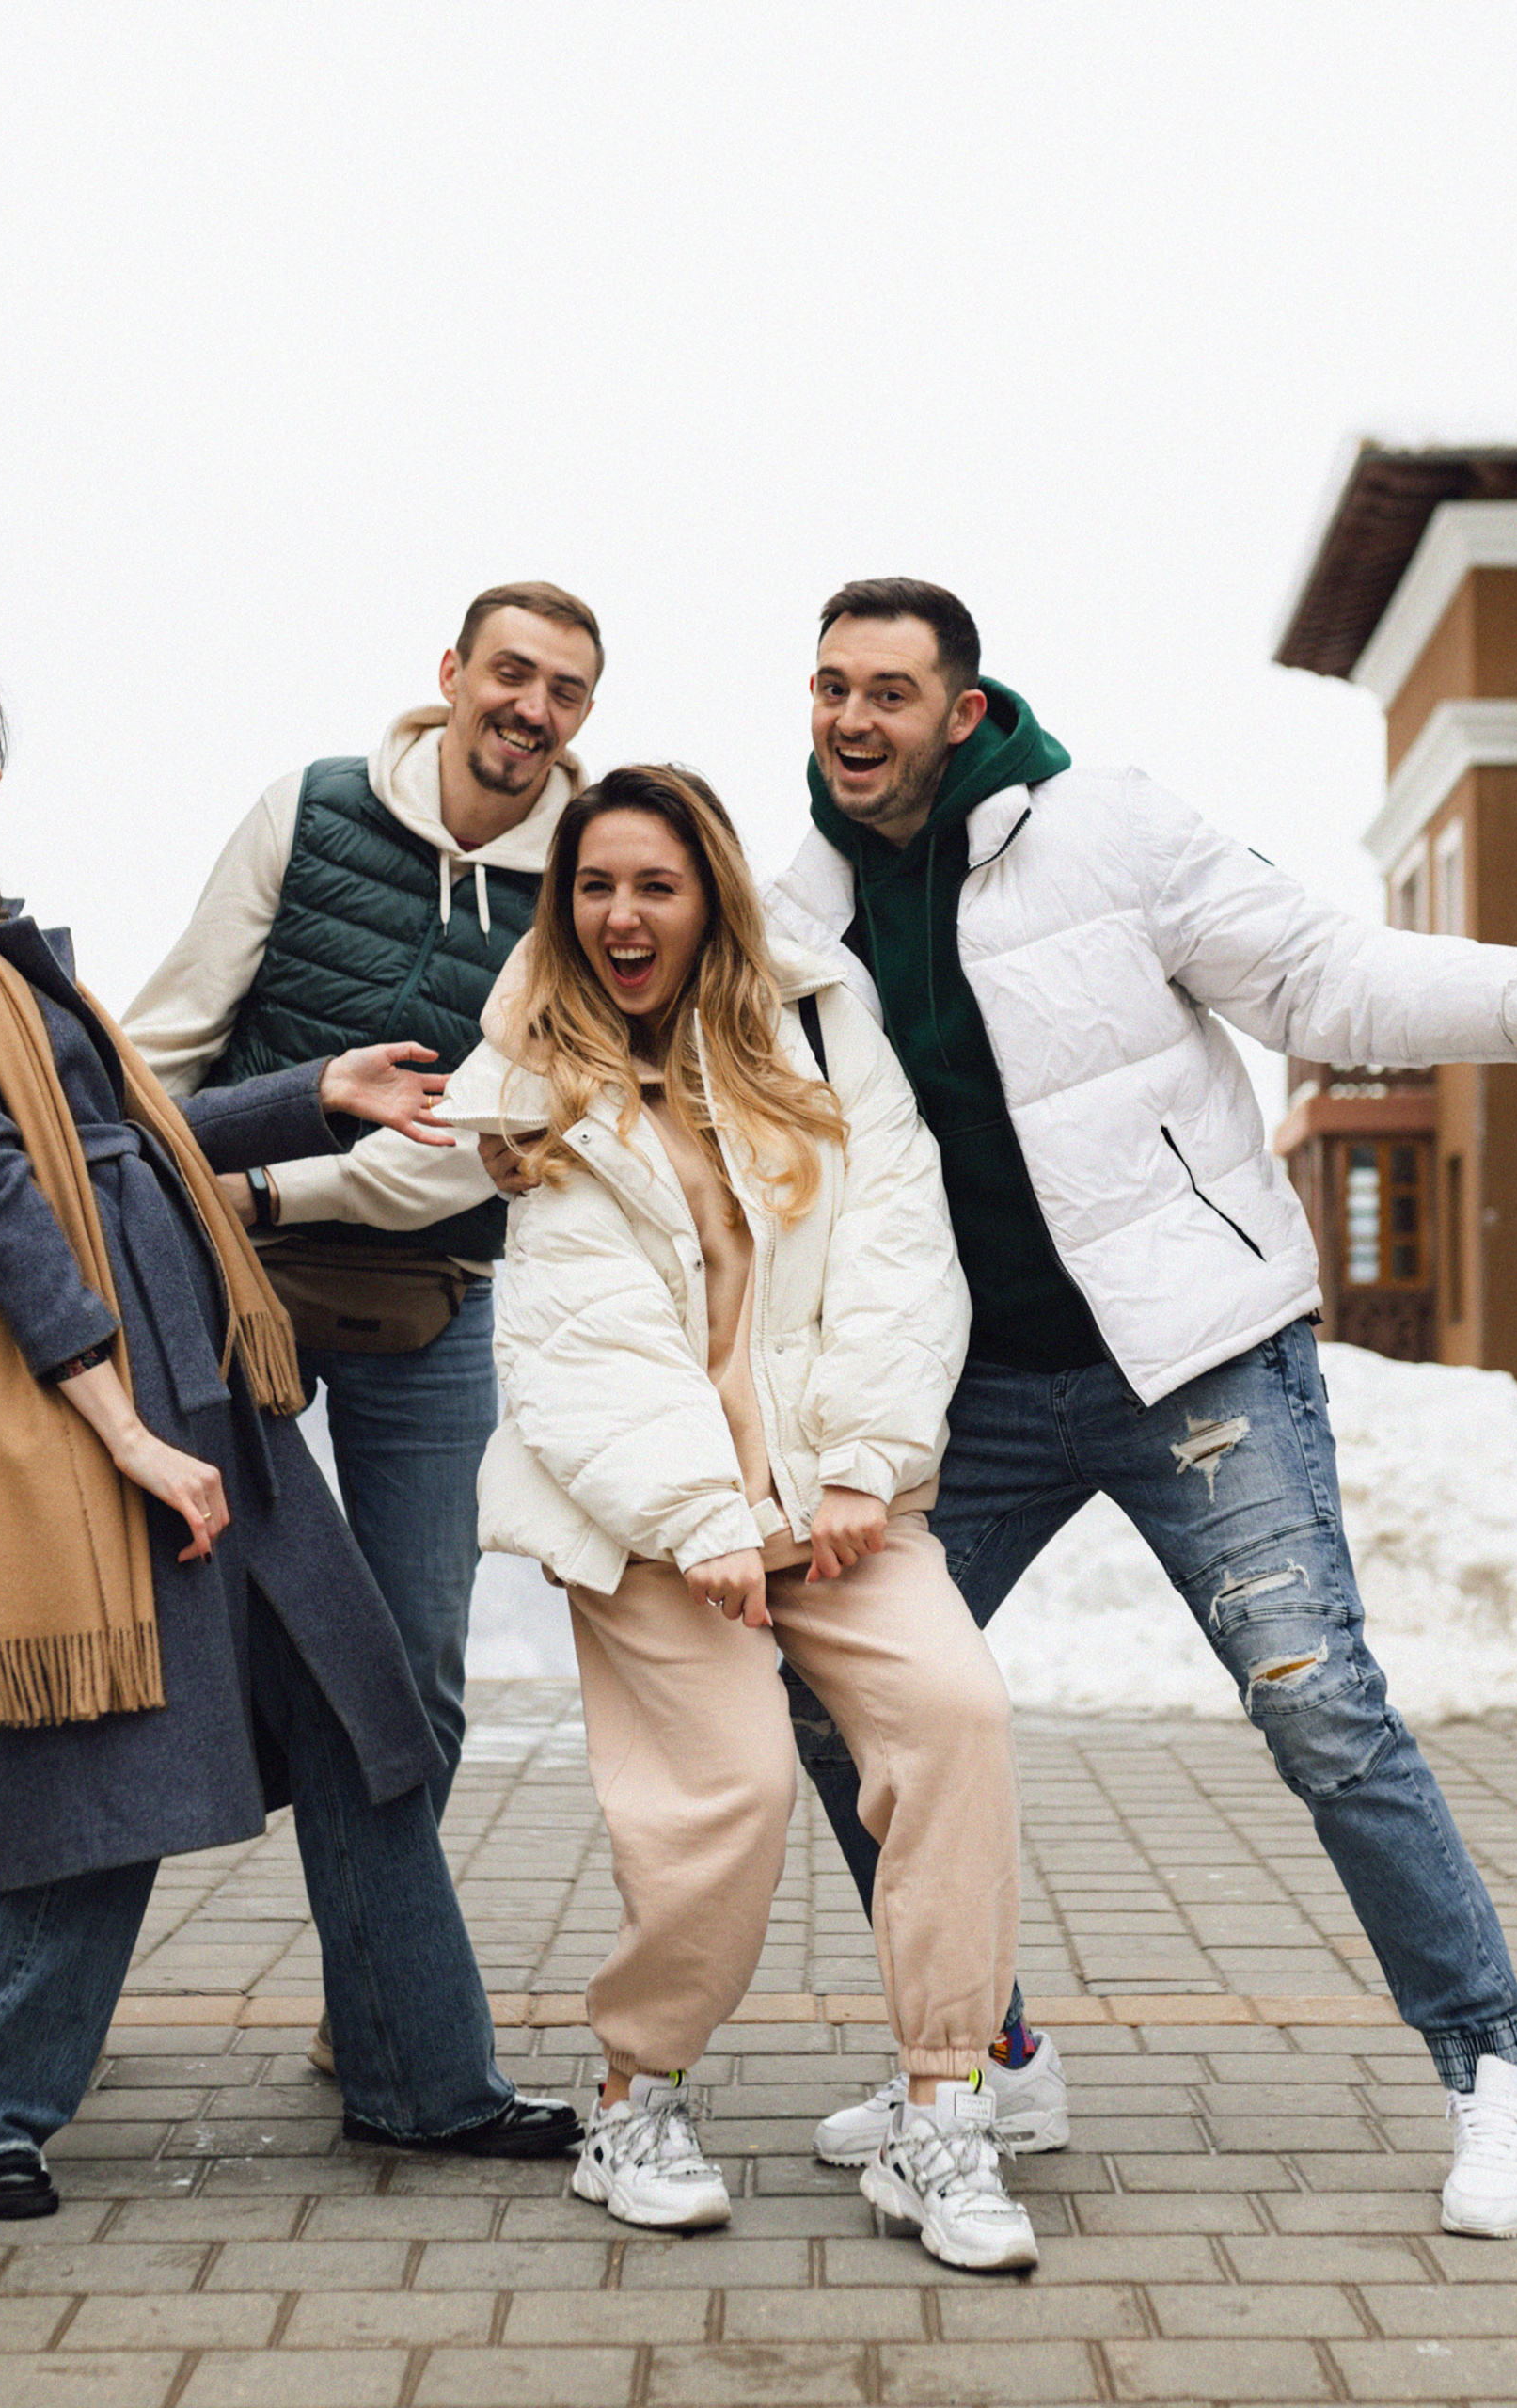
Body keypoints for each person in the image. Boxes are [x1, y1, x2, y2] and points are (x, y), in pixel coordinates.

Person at [758, 579, 1517, 2242]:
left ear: (964, 706)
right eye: (832, 689)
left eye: (892, 693)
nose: (855, 722)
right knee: (842, 1702)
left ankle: (1492, 2070)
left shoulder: (1107, 829)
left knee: (1319, 1706)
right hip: (971, 1386)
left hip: (1197, 1355)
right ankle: (992, 2058)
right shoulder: (797, 910)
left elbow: (1313, 978)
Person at [0, 650, 580, 2221]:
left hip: (199, 1368)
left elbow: (127, 1142)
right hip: (97, 1383)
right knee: (114, 1747)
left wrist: (321, 1095)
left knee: (367, 1725)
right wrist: (121, 1427)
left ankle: (421, 2080)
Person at [442, 764, 1040, 2273]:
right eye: (593, 886)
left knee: (956, 1717)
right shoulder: (536, 1080)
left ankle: (945, 2116)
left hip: (835, 1497)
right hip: (652, 1521)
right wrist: (700, 1514)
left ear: (709, 892)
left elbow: (901, 1247)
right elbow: (580, 1339)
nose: (622, 915)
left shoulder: (822, 1029)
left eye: (654, 883)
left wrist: (861, 1463)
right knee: (732, 1799)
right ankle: (633, 2104)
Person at [126, 580, 603, 1838]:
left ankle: (380, 1987)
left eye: (565, 690)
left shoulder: (586, 882)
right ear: (451, 672)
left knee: (412, 1673)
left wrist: (272, 1180)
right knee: (161, 1649)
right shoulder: (313, 807)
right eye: (512, 673)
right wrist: (94, 1160)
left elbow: (485, 1139)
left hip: (430, 1299)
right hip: (227, 1277)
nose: (532, 707)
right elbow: (178, 1025)